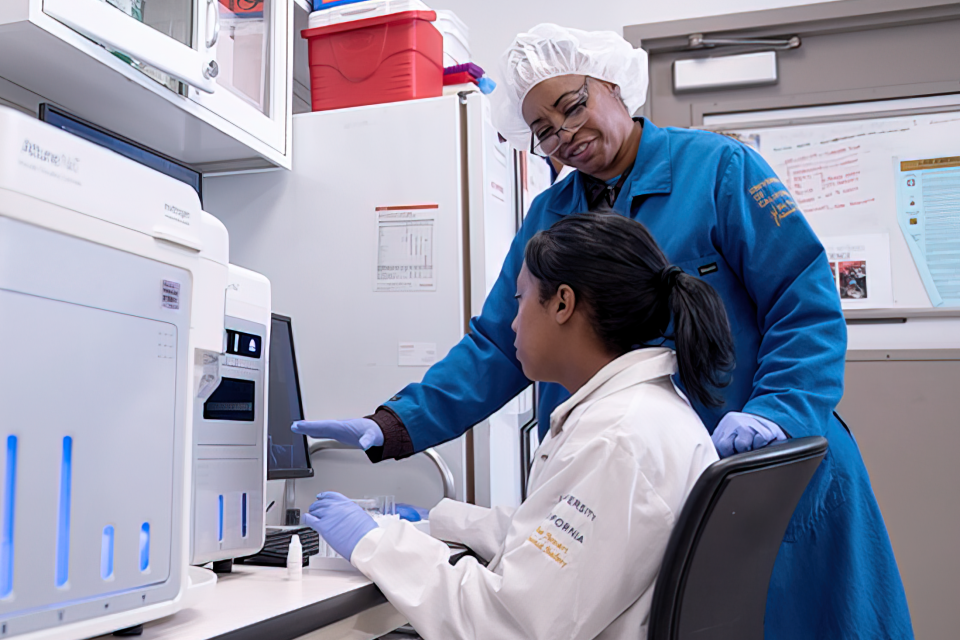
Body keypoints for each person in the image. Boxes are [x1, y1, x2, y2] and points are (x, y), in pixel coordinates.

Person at [294, 24, 913, 638]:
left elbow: (803, 303)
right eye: (544, 131)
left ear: (613, 84)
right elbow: (499, 342)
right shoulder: (550, 213)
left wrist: (776, 412)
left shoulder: (719, 169)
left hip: (764, 459)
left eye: (571, 107)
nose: (564, 136)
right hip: (662, 481)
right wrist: (396, 424)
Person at [306, 213, 727, 639]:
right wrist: (439, 520)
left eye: (520, 299)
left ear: (562, 304)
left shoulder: (615, 439)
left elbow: (508, 625)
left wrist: (376, 546)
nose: (511, 322)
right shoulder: (645, 412)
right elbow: (565, 540)